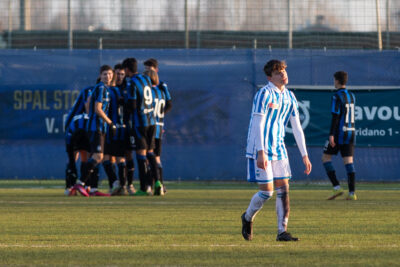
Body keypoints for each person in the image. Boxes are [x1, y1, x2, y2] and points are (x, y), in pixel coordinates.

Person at [241, 59, 312, 242]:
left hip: (279, 148)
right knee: (267, 192)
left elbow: (296, 127)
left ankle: (282, 232)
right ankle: (247, 217)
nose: (283, 74)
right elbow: (258, 122)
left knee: (284, 189)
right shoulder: (264, 94)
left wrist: (305, 155)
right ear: (269, 77)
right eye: (278, 72)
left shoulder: (290, 96)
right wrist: (260, 151)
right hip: (261, 147)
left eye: (284, 71)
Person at [72, 65, 116, 197]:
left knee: (96, 157)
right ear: (100, 76)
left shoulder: (103, 89)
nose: (107, 76)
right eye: (104, 74)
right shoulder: (101, 88)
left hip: (98, 127)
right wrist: (110, 123)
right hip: (96, 127)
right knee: (98, 157)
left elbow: (88, 104)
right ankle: (80, 184)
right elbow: (98, 109)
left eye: (109, 74)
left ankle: (91, 188)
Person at [122, 57, 158, 196]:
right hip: (152, 122)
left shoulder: (132, 83)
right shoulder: (146, 79)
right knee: (151, 153)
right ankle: (157, 183)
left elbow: (132, 105)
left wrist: (123, 105)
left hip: (140, 123)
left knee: (141, 155)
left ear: (126, 70)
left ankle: (144, 188)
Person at [322, 71, 357, 200]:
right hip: (351, 132)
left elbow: (335, 116)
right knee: (348, 162)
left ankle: (337, 187)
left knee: (326, 158)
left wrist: (331, 134)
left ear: (336, 80)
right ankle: (352, 193)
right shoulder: (352, 96)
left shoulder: (337, 96)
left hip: (339, 133)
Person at [143, 58, 172, 195]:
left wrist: (158, 117)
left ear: (155, 70)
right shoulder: (159, 93)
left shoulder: (157, 89)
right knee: (155, 157)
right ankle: (158, 185)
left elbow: (169, 104)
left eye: (150, 70)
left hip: (151, 126)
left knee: (150, 157)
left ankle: (153, 185)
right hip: (157, 125)